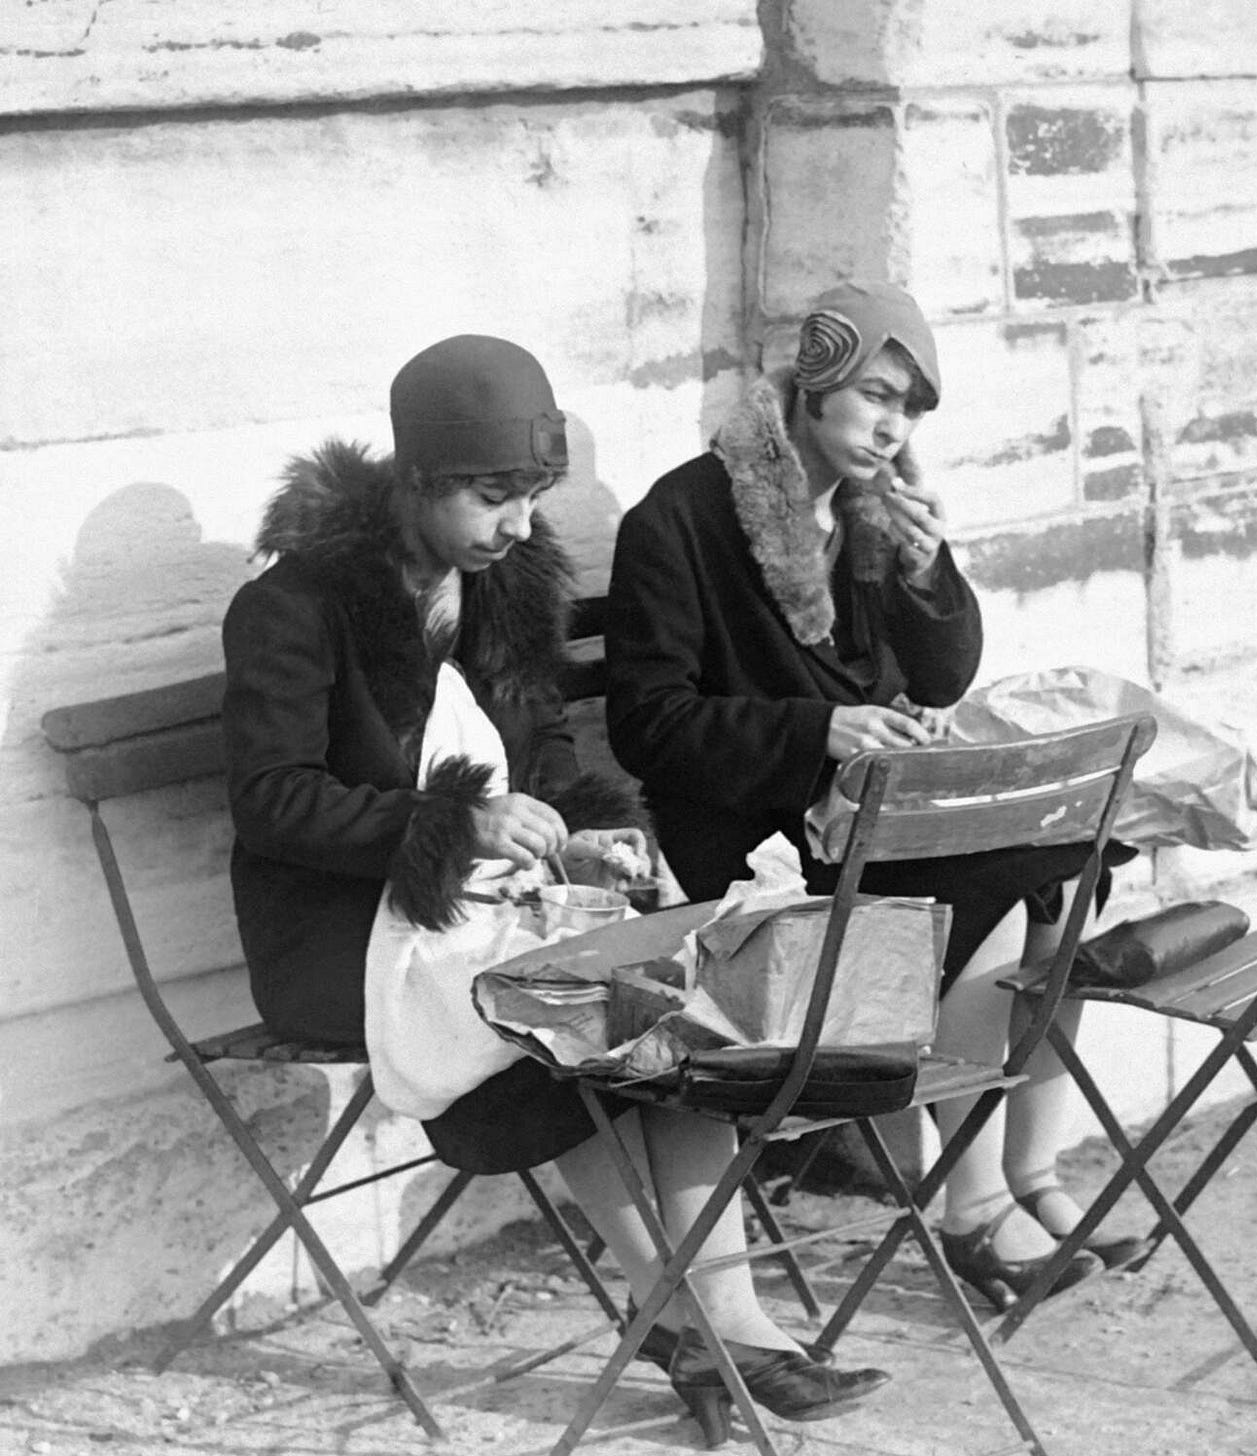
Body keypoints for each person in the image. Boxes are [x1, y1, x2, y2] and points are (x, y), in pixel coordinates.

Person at [221, 334, 889, 1445]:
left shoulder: (499, 588)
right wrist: (454, 822)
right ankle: (700, 1321)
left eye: (532, 497)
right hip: (341, 934)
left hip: (486, 914)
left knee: (658, 978)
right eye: (493, 497)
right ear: (415, 478)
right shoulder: (297, 605)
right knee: (574, 1003)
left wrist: (583, 835)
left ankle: (713, 1317)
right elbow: (273, 801)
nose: (520, 525)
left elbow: (539, 757)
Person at [604, 281, 1147, 1311]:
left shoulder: (869, 508)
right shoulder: (682, 518)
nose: (894, 428)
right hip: (751, 839)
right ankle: (978, 1210)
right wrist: (820, 729)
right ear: (813, 384)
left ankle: (1026, 1178)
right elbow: (649, 723)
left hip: (866, 820)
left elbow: (939, 677)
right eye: (876, 396)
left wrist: (927, 573)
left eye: (911, 409)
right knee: (1001, 889)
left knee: (1063, 869)